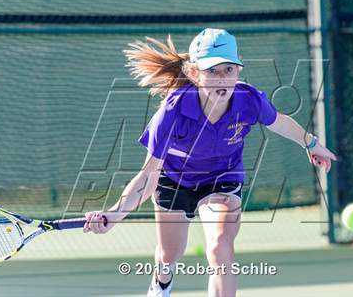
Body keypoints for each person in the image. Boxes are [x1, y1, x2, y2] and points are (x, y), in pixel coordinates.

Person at [83, 28, 337, 297]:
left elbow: (280, 121)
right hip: (174, 181)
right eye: (212, 71)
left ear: (239, 71)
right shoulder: (172, 112)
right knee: (169, 255)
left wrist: (310, 143)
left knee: (219, 247)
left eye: (228, 69)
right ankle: (161, 280)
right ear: (194, 73)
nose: (221, 79)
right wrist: (115, 214)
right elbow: (148, 176)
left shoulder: (248, 100)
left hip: (222, 179)